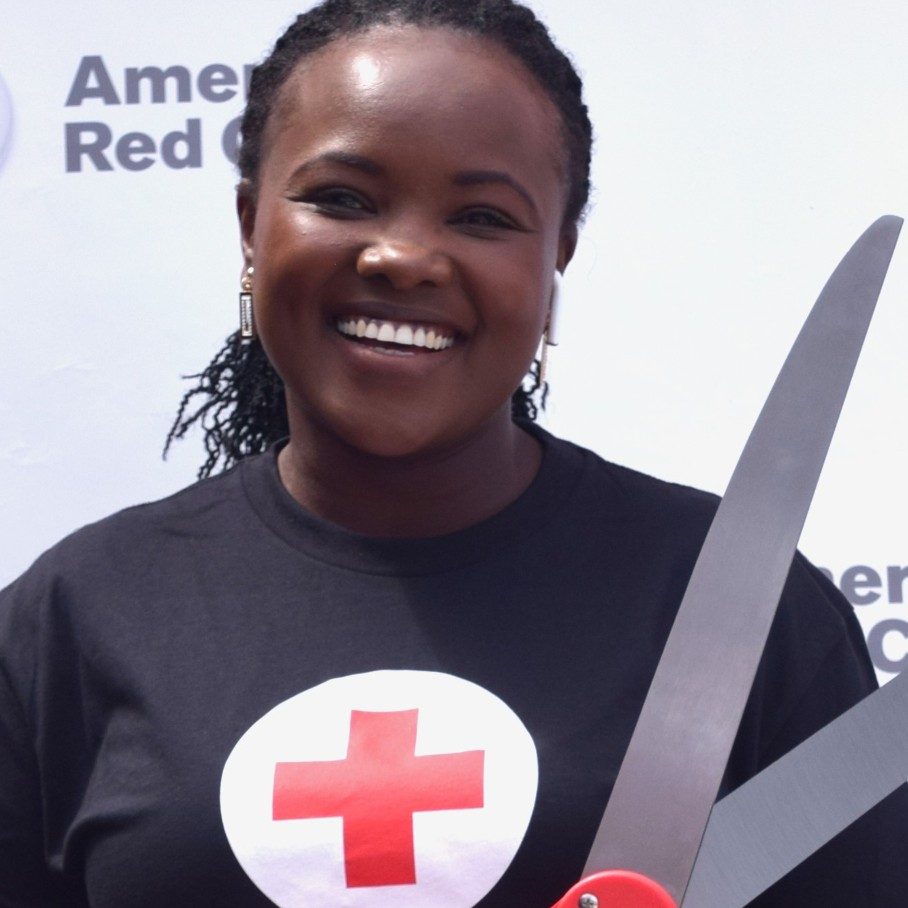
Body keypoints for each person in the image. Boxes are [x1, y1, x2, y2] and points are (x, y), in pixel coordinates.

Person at [1, 1, 906, 905]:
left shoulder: (740, 611)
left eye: (481, 217)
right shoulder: (72, 621)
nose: (403, 255)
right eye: (342, 199)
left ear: (559, 257)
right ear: (249, 225)